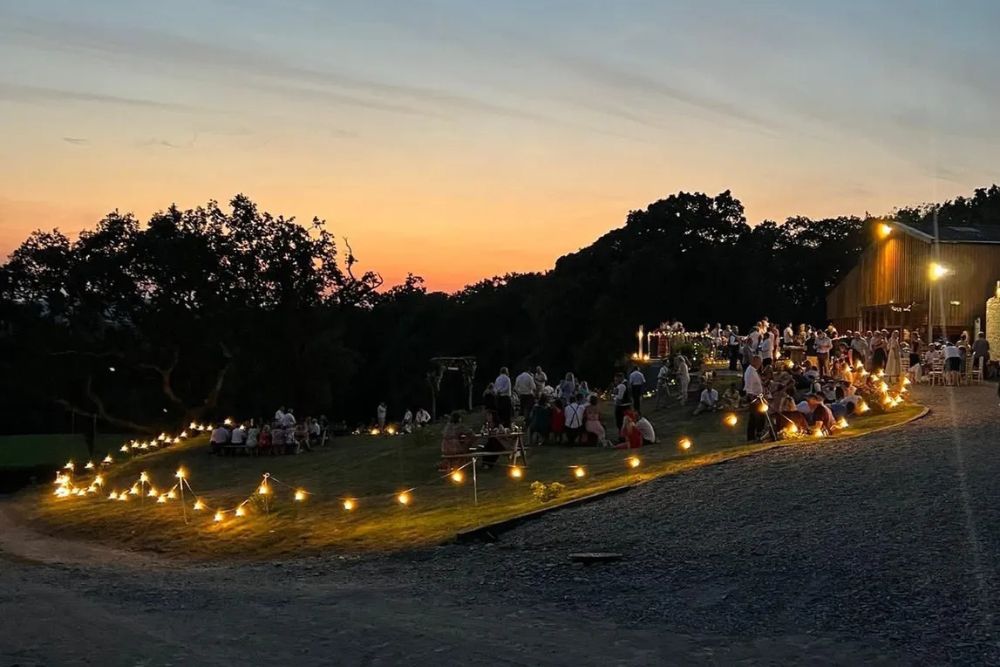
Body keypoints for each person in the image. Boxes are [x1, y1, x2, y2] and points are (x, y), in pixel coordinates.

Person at [744, 355, 765, 442]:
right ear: (755, 361)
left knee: (759, 417)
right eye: (759, 363)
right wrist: (753, 399)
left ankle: (756, 435)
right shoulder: (750, 372)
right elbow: (749, 387)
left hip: (758, 397)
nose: (760, 365)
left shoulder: (753, 371)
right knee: (756, 417)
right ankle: (754, 436)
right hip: (754, 397)